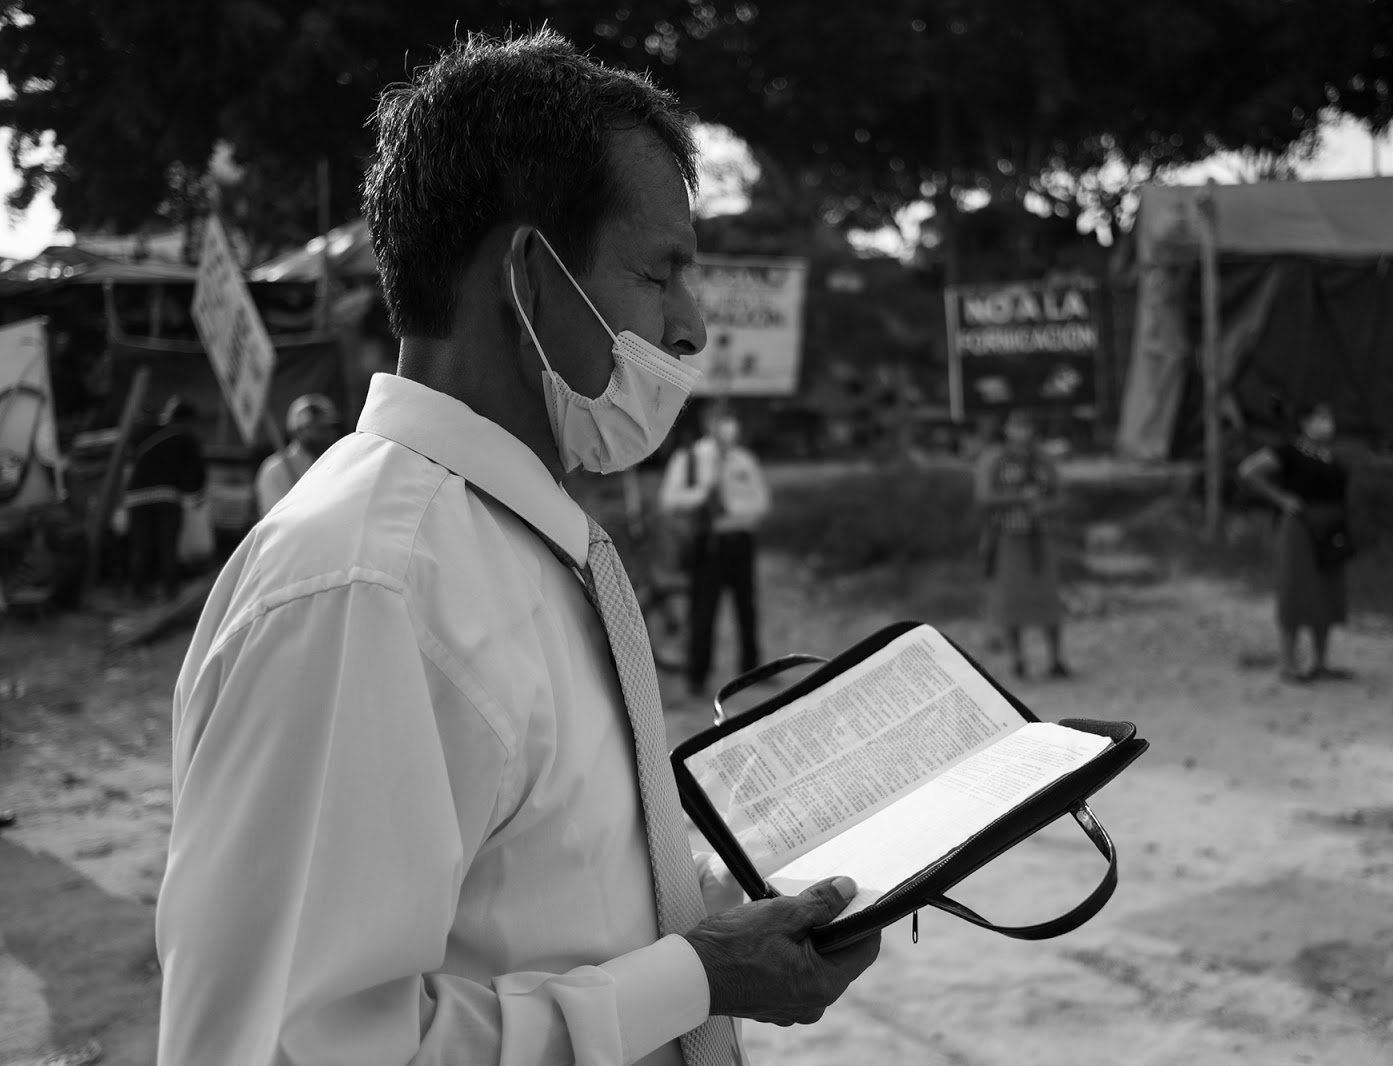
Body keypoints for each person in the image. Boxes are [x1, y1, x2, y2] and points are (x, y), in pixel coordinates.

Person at [155, 31, 879, 1066]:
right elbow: (282, 1047)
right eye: (660, 273)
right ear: (532, 276)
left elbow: (535, 908)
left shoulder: (516, 537)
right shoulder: (367, 588)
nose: (693, 327)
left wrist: (714, 911)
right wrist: (695, 977)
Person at [659, 405, 771, 697]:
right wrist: (701, 495)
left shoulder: (744, 459)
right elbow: (669, 500)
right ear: (708, 423)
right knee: (703, 611)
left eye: (730, 420)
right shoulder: (691, 458)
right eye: (720, 420)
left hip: (740, 541)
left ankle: (752, 666)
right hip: (707, 544)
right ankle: (697, 676)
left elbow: (761, 502)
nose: (727, 427)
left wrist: (734, 510)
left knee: (746, 606)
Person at [1237, 401, 1352, 684]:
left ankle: (1321, 662)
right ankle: (1288, 663)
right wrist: (1280, 498)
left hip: (1331, 527)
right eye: (1320, 417)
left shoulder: (1330, 455)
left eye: (1329, 417)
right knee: (1298, 591)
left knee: (1326, 591)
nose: (1326, 423)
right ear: (1305, 421)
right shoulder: (1289, 451)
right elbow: (1248, 470)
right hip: (1302, 527)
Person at [974, 409, 1071, 680]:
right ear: (1006, 429)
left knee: (1049, 602)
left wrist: (1045, 507)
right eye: (1016, 425)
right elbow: (984, 497)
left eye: (1026, 425)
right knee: (1010, 603)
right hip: (1007, 538)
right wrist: (1019, 498)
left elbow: (1061, 497)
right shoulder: (994, 459)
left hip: (1040, 539)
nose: (1022, 431)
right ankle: (1018, 660)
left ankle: (1055, 659)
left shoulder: (1044, 460)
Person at [123, 395, 206, 602]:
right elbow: (197, 472)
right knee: (167, 545)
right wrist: (195, 494)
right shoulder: (186, 437)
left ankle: (137, 591)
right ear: (189, 419)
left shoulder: (144, 431)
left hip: (136, 497)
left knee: (141, 546)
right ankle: (171, 592)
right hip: (166, 496)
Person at [253, 392, 341, 516]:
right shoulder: (275, 470)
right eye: (319, 428)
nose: (328, 434)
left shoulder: (337, 465)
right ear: (300, 431)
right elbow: (275, 518)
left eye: (330, 428)